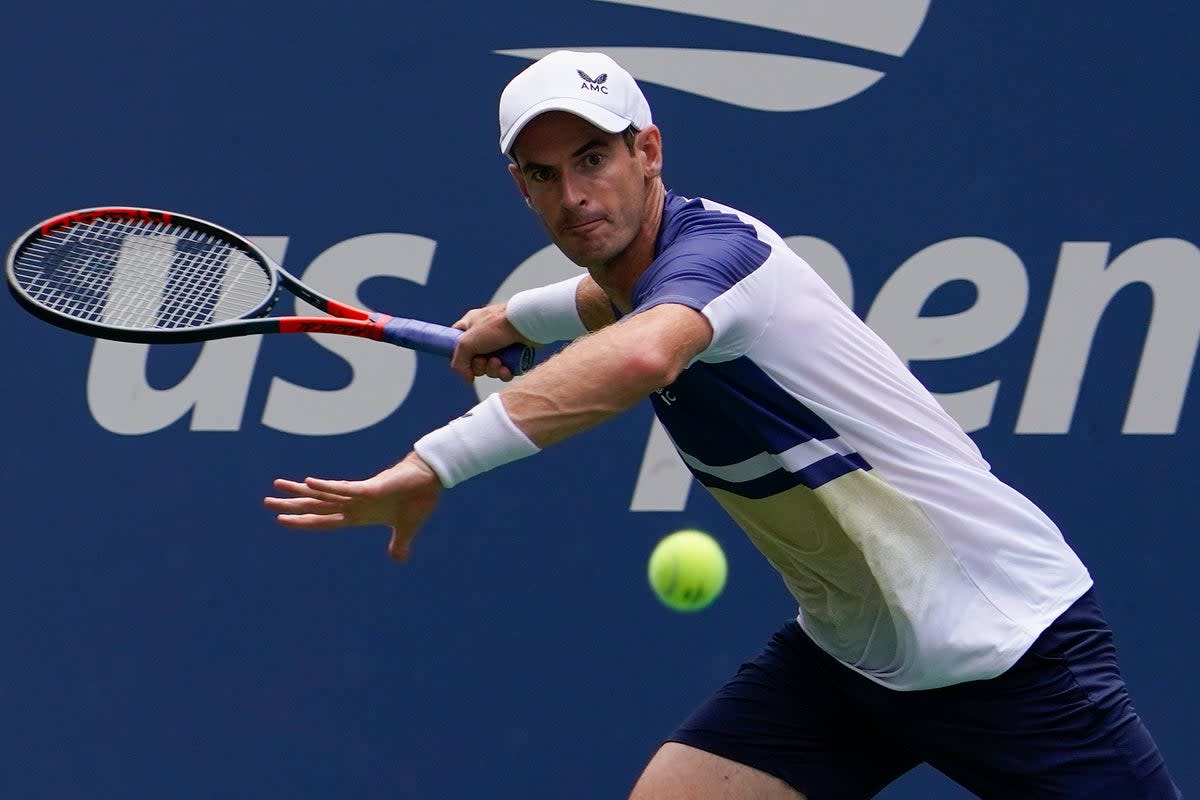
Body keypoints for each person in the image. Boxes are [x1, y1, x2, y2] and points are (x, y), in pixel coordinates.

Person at [265, 51, 1180, 799]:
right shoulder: (643, 274)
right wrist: (515, 316)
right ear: (523, 190)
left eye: (595, 160)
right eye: (545, 176)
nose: (576, 195)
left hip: (1003, 645)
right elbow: (603, 299)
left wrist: (433, 464)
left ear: (648, 152)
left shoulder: (723, 259)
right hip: (853, 655)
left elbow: (637, 355)